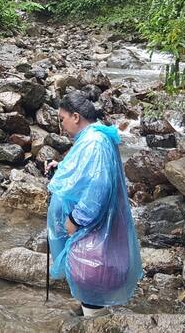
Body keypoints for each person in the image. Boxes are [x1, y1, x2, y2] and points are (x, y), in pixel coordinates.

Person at [46, 91, 142, 316]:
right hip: (99, 241)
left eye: (62, 119)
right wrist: (60, 170)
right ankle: (92, 313)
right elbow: (87, 176)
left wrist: (75, 219)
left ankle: (94, 318)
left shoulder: (94, 142)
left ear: (76, 117)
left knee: (94, 301)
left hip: (94, 247)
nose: (62, 125)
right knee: (93, 302)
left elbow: (98, 187)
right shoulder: (95, 137)